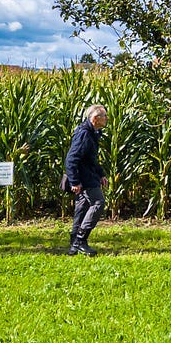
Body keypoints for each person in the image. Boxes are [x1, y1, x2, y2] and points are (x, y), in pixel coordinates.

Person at [63, 103, 108, 256]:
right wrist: (75, 182)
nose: (107, 118)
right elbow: (71, 159)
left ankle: (74, 245)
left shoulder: (93, 132)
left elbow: (91, 159)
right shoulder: (84, 134)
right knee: (98, 203)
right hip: (85, 178)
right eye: (104, 116)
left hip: (89, 176)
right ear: (95, 118)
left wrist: (101, 174)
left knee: (81, 209)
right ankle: (81, 240)